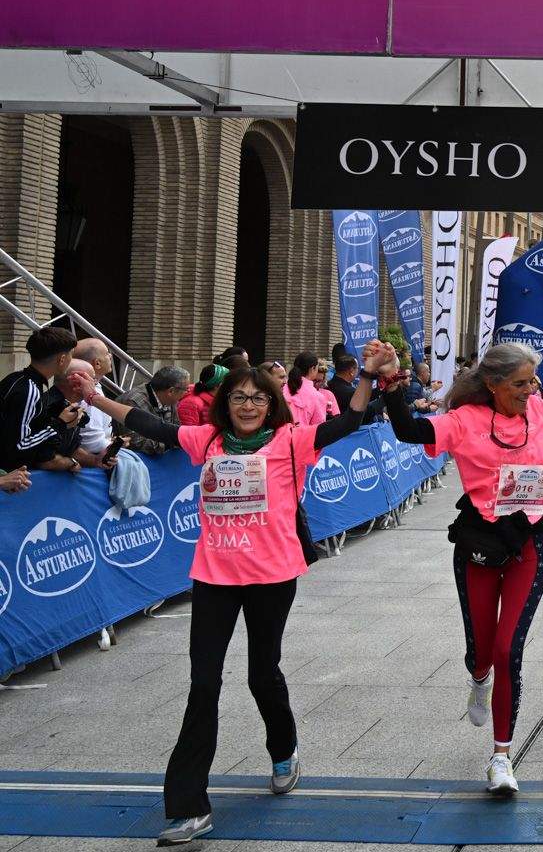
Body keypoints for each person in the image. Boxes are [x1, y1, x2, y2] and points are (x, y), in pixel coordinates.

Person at [84, 357, 378, 847]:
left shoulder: (292, 441)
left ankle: (284, 749)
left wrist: (367, 377)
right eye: (239, 397)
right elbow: (148, 422)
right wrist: (96, 399)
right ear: (226, 403)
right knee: (204, 683)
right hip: (215, 576)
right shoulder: (208, 441)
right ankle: (187, 806)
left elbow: (349, 420)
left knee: (262, 673)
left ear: (272, 404)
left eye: (259, 397)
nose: (248, 405)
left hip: (273, 576)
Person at [378, 340, 543, 795]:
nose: (529, 390)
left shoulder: (540, 412)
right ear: (492, 384)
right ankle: (478, 677)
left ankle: (501, 756)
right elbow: (408, 431)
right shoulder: (463, 420)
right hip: (480, 542)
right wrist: (392, 380)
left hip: (532, 539)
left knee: (507, 649)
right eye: (519, 383)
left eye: (533, 381)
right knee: (481, 652)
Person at [0, 325, 80, 472]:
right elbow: (19, 447)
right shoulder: (29, 390)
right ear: (62, 359)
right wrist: (60, 424)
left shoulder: (17, 379)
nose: (71, 360)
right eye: (71, 355)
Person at [115, 366, 190, 456]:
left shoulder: (170, 400)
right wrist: (170, 444)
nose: (187, 392)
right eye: (186, 389)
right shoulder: (133, 401)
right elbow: (135, 442)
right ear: (171, 391)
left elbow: (175, 430)